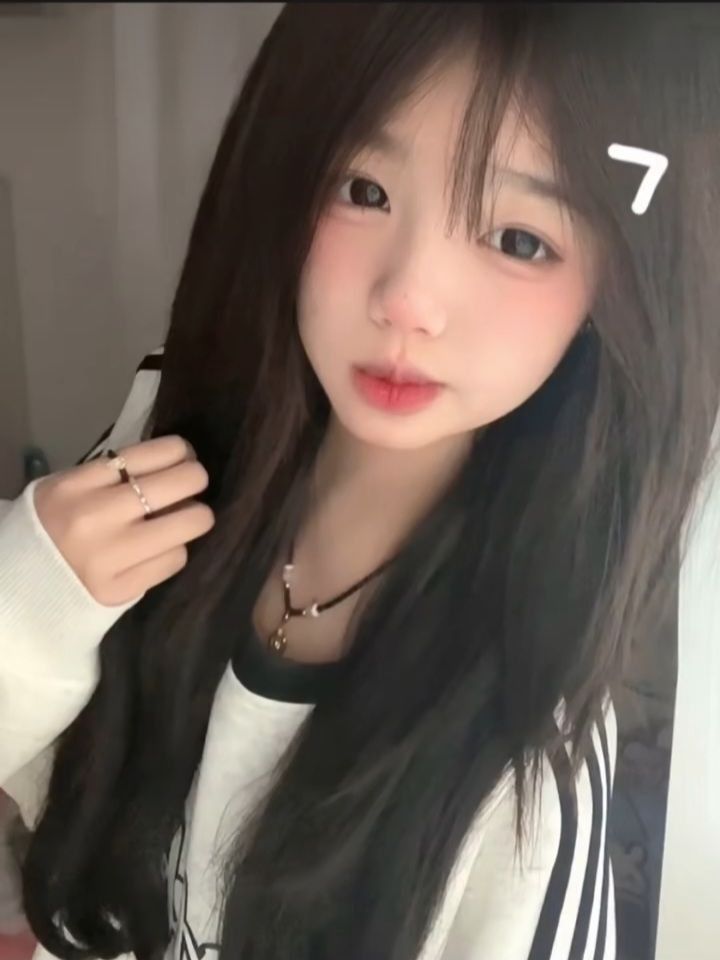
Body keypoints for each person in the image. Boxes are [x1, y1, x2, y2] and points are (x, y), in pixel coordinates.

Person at [1, 4, 719, 960]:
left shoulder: (525, 776)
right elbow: (56, 804)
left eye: (519, 239)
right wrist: (24, 609)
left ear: (614, 291)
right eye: (363, 189)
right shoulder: (161, 441)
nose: (408, 300)